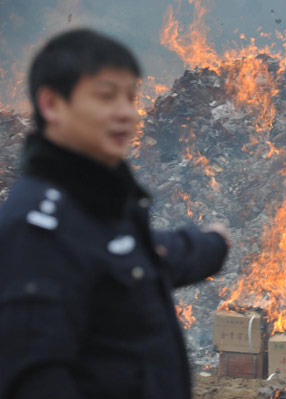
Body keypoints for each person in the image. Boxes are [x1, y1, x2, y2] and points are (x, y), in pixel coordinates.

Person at [0, 29, 229, 399]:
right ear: (52, 104)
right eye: (106, 96)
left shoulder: (95, 201)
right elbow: (36, 379)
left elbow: (134, 258)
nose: (126, 113)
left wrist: (212, 245)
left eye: (130, 97)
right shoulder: (37, 226)